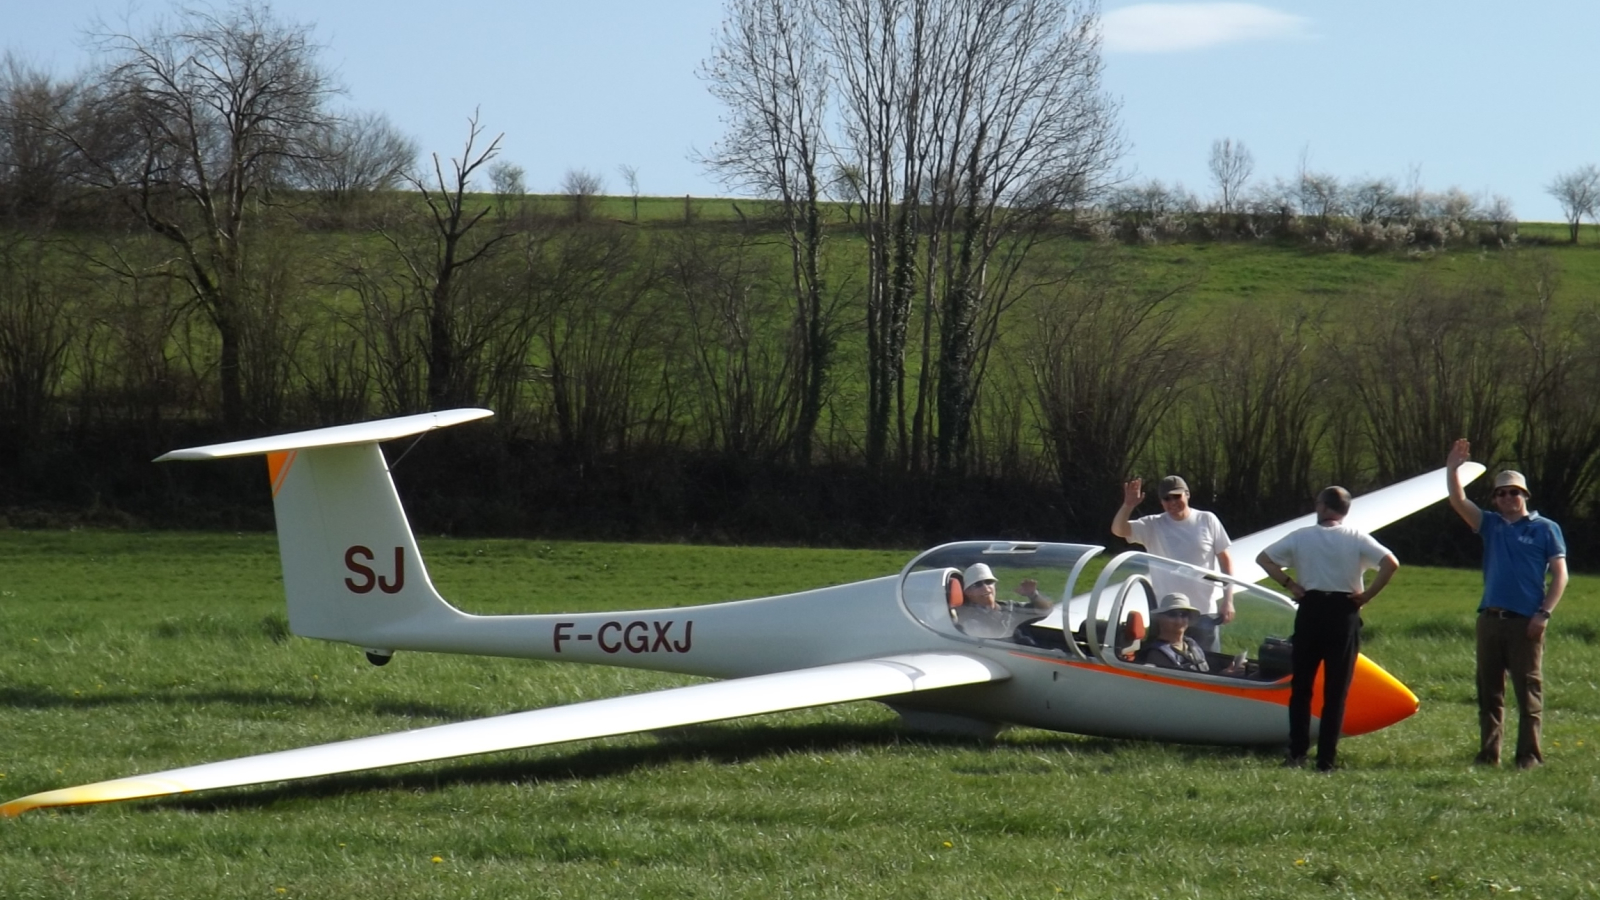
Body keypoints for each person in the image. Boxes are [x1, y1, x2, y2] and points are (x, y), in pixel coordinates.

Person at [1257, 486, 1399, 772]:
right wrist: (1367, 595)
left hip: (1310, 609)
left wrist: (1290, 585)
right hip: (1343, 612)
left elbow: (1264, 558)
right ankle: (1326, 759)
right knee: (1336, 690)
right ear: (1345, 510)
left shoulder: (1301, 536)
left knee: (1301, 687)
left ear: (1322, 507)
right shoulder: (1356, 538)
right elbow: (1390, 563)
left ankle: (1296, 753)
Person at [1447, 440, 1568, 769]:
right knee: (1489, 692)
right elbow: (1458, 500)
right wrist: (1453, 468)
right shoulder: (1491, 525)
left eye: (1513, 492)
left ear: (1524, 496)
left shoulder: (1545, 529)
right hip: (1490, 619)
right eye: (1501, 494)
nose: (1507, 498)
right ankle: (1488, 755)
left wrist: (1543, 614)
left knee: (1528, 692)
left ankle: (1528, 756)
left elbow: (1560, 576)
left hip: (1525, 621)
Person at [1112, 475, 1235, 651]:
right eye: (1166, 498)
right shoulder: (1152, 525)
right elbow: (1118, 530)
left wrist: (1228, 600)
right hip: (1167, 615)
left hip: (1203, 613)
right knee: (1166, 666)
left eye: (1177, 497)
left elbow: (1225, 561)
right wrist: (1128, 505)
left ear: (1187, 495)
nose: (1172, 502)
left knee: (1207, 667)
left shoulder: (1207, 519)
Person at [954, 563, 1053, 638]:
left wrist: (1033, 595)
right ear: (968, 592)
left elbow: (1045, 611)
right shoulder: (967, 619)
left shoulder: (1009, 607)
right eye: (977, 584)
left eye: (989, 582)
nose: (985, 588)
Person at [1136, 593, 1211, 672]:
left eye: (1183, 615)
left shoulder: (1191, 644)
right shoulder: (1157, 654)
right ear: (1160, 618)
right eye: (1172, 615)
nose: (1179, 621)